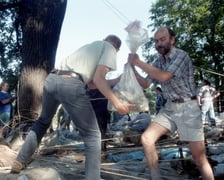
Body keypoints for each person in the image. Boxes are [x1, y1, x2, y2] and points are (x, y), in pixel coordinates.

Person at [11, 35, 134, 180]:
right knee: (93, 135)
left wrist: (118, 80)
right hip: (71, 84)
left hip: (52, 80)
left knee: (43, 122)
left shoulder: (91, 47)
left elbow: (93, 84)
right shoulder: (109, 49)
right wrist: (118, 103)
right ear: (117, 49)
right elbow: (99, 79)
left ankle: (19, 161)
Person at [128, 27, 214, 180]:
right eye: (156, 41)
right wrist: (132, 68)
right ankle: (156, 177)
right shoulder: (158, 61)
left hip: (188, 108)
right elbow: (146, 83)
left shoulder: (181, 55)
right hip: (170, 108)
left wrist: (138, 62)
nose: (159, 44)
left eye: (162, 39)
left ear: (172, 40)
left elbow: (164, 77)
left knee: (199, 158)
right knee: (147, 139)